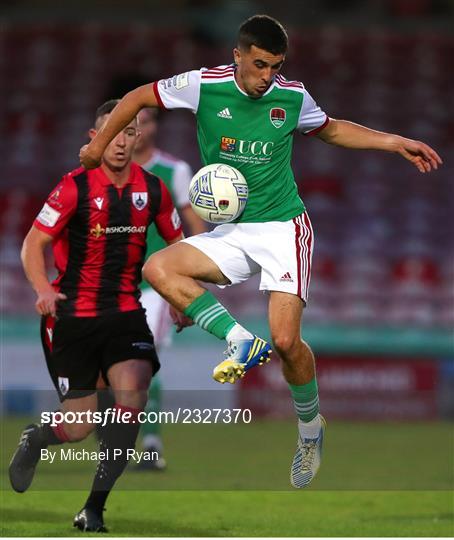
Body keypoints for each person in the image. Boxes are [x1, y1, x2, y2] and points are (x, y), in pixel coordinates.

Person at [79, 15, 442, 489]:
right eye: (260, 64)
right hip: (233, 229)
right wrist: (98, 148)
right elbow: (137, 98)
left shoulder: (291, 97)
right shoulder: (202, 86)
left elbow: (330, 129)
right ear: (238, 56)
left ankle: (310, 428)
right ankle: (239, 340)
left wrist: (393, 142)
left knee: (287, 342)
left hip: (283, 228)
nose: (267, 75)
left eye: (275, 66)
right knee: (160, 267)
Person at [9, 99, 183, 532]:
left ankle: (94, 508)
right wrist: (44, 288)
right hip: (73, 317)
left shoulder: (155, 190)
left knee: (131, 400)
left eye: (128, 132)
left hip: (125, 312)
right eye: (111, 133)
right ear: (94, 138)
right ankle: (37, 439)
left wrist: (182, 297)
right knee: (82, 424)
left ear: (137, 136)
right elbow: (33, 244)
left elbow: (178, 244)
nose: (120, 142)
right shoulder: (73, 187)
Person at [133, 107, 206, 469]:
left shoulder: (173, 171)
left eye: (144, 121)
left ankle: (150, 443)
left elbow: (195, 227)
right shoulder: (103, 173)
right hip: (111, 284)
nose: (137, 129)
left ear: (155, 127)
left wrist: (186, 280)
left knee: (146, 360)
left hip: (154, 285)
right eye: (130, 123)